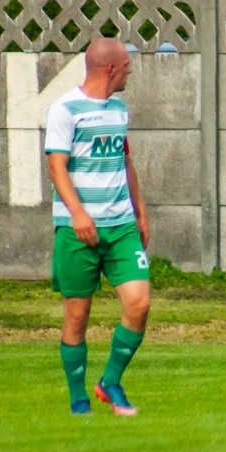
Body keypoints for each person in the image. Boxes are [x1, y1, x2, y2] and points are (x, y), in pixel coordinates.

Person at [46, 39, 153, 417]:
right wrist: (78, 214)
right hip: (79, 230)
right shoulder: (65, 110)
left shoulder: (119, 110)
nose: (130, 70)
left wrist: (140, 212)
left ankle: (110, 382)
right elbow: (56, 167)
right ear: (110, 69)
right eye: (126, 64)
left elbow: (126, 162)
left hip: (121, 227)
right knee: (77, 316)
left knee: (139, 303)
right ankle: (78, 400)